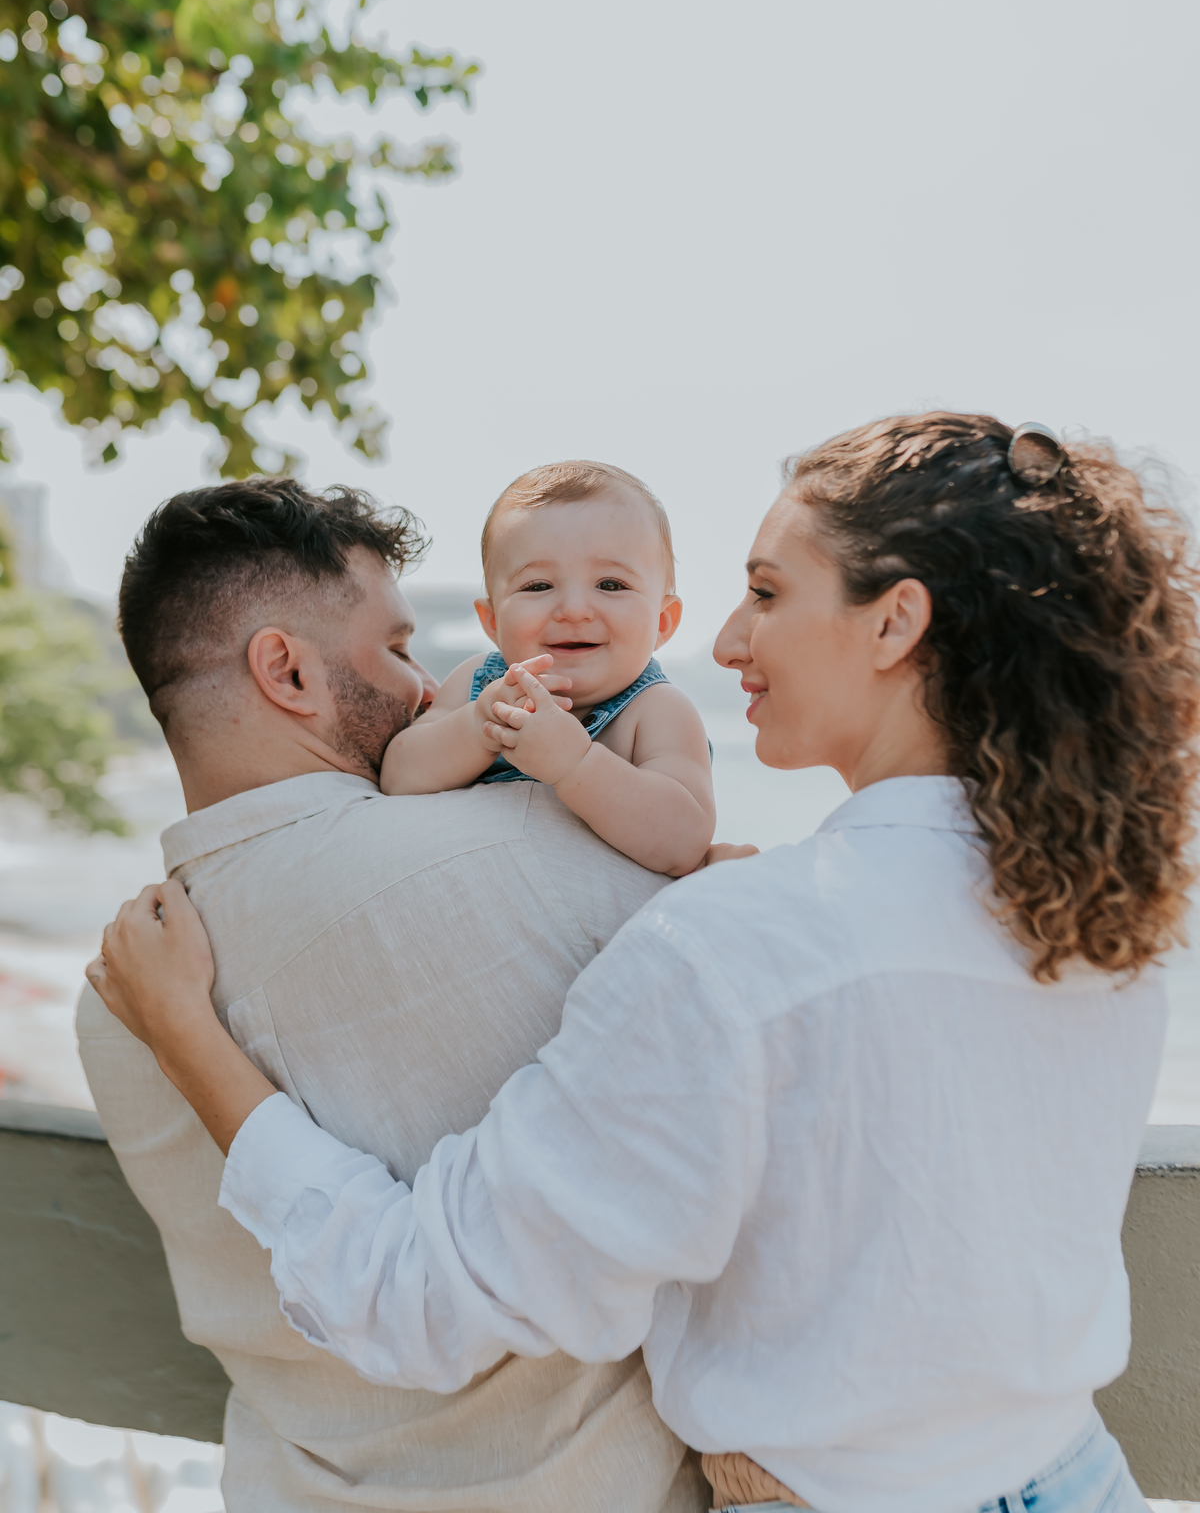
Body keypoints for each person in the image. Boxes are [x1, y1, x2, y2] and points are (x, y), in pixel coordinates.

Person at [92, 415, 1200, 1513]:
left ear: (894, 622)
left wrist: (190, 1036)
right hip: (1076, 1477)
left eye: (766, 593)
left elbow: (418, 1298)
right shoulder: (1108, 914)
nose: (722, 642)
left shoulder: (733, 942)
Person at [77, 476, 709, 1513]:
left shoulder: (114, 1004)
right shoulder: (537, 857)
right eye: (402, 649)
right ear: (286, 670)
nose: (429, 690)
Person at [380, 460, 716, 878]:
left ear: (662, 622)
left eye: (611, 584)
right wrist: (478, 725)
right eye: (538, 586)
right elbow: (398, 775)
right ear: (493, 623)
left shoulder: (658, 711)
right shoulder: (478, 684)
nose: (574, 610)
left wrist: (576, 764)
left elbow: (683, 841)